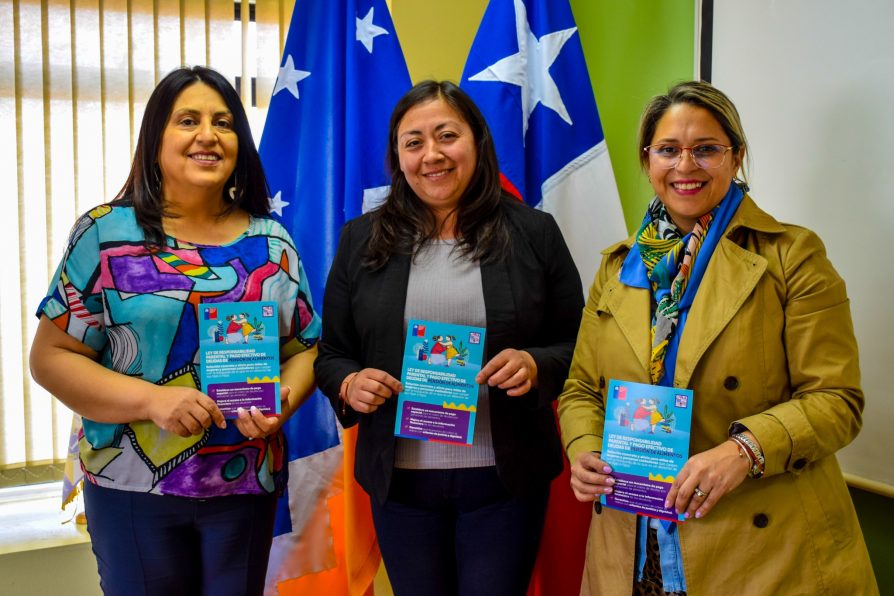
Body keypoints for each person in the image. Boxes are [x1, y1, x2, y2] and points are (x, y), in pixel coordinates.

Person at [558, 81, 878, 595]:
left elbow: (838, 400)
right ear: (647, 160)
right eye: (668, 150)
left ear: (736, 156)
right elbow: (581, 389)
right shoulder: (618, 267)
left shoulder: (792, 256)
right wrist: (584, 447)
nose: (685, 166)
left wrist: (744, 450)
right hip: (632, 544)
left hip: (762, 548)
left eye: (705, 149)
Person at [29, 66, 320, 596]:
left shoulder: (271, 242)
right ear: (156, 138)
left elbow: (304, 348)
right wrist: (152, 402)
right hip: (131, 486)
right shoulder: (105, 233)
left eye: (224, 122)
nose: (207, 135)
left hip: (244, 481)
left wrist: (284, 401)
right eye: (188, 120)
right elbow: (51, 357)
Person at [313, 80, 584, 596]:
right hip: (401, 484)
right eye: (413, 142)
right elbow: (332, 355)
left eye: (446, 136)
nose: (431, 155)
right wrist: (350, 383)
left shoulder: (535, 232)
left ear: (477, 142)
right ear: (398, 155)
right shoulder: (359, 239)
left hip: (505, 481)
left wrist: (534, 363)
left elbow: (580, 346)